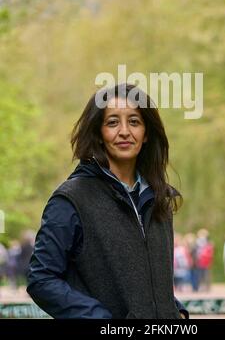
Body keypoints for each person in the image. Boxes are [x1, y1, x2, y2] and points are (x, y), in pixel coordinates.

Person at [27, 83, 189, 319]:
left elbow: (148, 282)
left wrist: (176, 312)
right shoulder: (71, 199)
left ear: (146, 134)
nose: (124, 131)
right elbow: (41, 279)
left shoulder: (158, 197)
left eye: (134, 121)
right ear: (98, 134)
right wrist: (100, 319)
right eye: (112, 122)